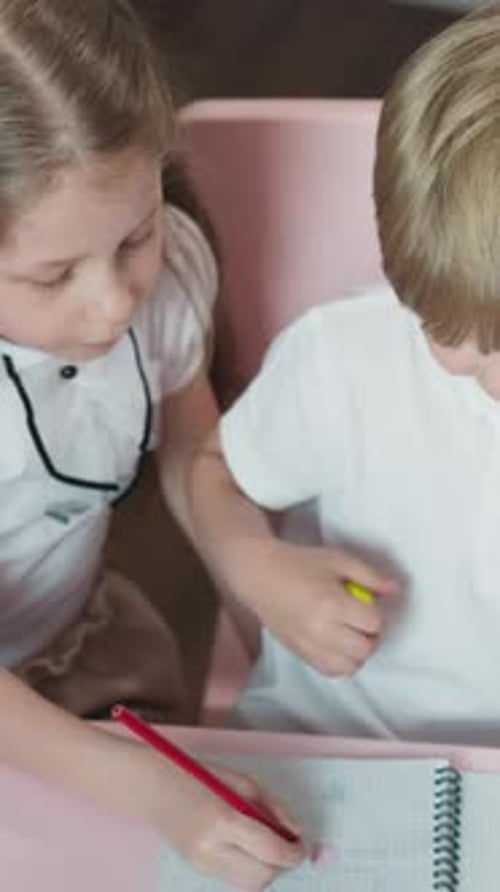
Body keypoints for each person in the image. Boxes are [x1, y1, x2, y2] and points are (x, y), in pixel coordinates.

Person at [0, 1, 306, 887]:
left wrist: (248, 558)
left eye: (135, 234)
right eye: (54, 276)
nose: (114, 302)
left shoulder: (162, 282)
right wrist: (152, 790)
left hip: (89, 647)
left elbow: (192, 449)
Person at [190, 3, 500, 747]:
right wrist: (256, 566)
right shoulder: (342, 358)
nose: (487, 378)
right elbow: (216, 472)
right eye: (447, 332)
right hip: (347, 741)